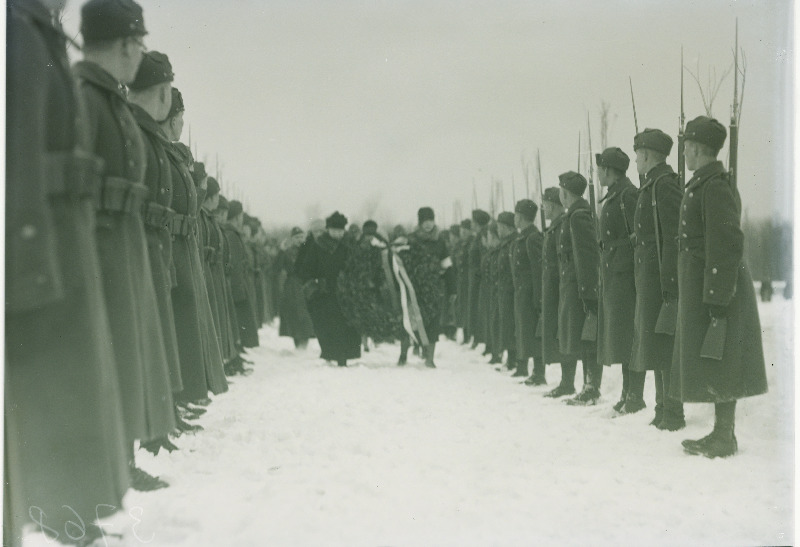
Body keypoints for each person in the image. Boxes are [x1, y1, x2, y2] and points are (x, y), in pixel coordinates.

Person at [5, 0, 130, 541]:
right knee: (51, 396)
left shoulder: (37, 31)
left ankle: (66, 518)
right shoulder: (17, 32)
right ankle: (58, 519)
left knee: (65, 394)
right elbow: (16, 156)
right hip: (42, 244)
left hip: (59, 239)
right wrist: (27, 268)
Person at [74, 0, 176, 489]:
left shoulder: (107, 98)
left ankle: (120, 461)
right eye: (137, 43)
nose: (139, 54)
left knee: (124, 351)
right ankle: (103, 470)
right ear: (124, 45)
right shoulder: (85, 97)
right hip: (99, 246)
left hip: (121, 243)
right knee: (104, 355)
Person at [674, 116, 767, 458]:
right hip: (706, 283)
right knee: (714, 357)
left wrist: (716, 295)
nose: (684, 152)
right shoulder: (704, 182)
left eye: (686, 147)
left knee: (723, 357)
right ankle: (719, 432)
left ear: (697, 148)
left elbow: (726, 242)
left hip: (718, 285)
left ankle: (724, 436)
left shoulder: (714, 186)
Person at [128, 51, 184, 446]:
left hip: (152, 246)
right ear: (163, 95)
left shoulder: (143, 132)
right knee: (143, 338)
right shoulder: (136, 130)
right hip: (138, 247)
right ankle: (147, 433)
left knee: (157, 336)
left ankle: (157, 426)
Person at [161, 88, 227, 407]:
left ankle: (184, 398)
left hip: (181, 250)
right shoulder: (163, 153)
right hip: (170, 249)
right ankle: (176, 402)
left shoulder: (174, 154)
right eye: (180, 118)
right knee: (175, 327)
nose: (181, 125)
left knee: (185, 327)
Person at [631, 128, 685, 430]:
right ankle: (662, 406)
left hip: (662, 278)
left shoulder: (664, 186)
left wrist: (669, 282)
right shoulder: (651, 185)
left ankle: (673, 412)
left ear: (649, 156)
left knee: (666, 343)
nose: (636, 160)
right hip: (650, 277)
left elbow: (673, 236)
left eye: (638, 155)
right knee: (656, 342)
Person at [595, 147, 640, 413]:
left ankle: (635, 395)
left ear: (610, 170)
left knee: (629, 333)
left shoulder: (628, 195)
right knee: (621, 335)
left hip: (626, 274)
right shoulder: (614, 195)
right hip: (614, 272)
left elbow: (637, 234)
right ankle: (627, 392)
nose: (598, 173)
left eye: (601, 168)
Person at [556, 172, 601, 406]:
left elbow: (586, 255)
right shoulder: (573, 215)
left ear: (565, 193)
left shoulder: (578, 216)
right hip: (574, 285)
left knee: (587, 337)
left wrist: (587, 291)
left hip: (580, 287)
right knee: (580, 337)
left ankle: (591, 387)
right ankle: (587, 386)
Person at [296, 211, 362, 366]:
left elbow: (359, 266)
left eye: (340, 231)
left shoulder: (350, 245)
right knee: (329, 325)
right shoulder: (319, 245)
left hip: (347, 292)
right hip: (326, 293)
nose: (337, 234)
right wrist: (315, 286)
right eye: (334, 230)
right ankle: (331, 354)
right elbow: (306, 270)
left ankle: (345, 356)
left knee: (347, 325)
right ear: (328, 230)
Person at [405, 207, 456, 367]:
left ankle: (430, 358)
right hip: (415, 287)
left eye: (431, 221)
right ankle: (412, 350)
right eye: (425, 221)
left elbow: (447, 266)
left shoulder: (440, 242)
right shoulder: (412, 240)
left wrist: (452, 288)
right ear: (420, 223)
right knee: (416, 320)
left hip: (435, 288)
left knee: (433, 322)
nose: (428, 224)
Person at [540, 188, 572, 395]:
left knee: (564, 333)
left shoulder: (563, 225)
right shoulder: (555, 226)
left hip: (562, 284)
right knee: (558, 333)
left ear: (552, 205)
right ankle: (565, 381)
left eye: (544, 204)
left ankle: (568, 382)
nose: (543, 209)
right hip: (553, 286)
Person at [510, 199, 545, 383]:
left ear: (521, 216)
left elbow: (538, 270)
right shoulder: (523, 236)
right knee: (524, 331)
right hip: (522, 293)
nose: (514, 218)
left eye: (516, 215)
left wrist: (538, 299)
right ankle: (526, 368)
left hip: (531, 294)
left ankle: (539, 373)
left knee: (535, 332)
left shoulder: (532, 237)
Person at [278, 227, 316, 349]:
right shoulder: (287, 252)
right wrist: (281, 252)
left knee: (306, 316)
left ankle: (303, 346)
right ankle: (299, 346)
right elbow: (276, 268)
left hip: (306, 285)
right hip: (292, 286)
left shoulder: (309, 250)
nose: (299, 240)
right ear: (292, 239)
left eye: (301, 237)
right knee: (295, 316)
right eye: (296, 238)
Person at [494, 212, 519, 371]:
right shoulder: (505, 243)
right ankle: (510, 359)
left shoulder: (512, 242)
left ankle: (514, 360)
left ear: (505, 227)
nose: (498, 230)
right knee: (506, 326)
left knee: (512, 326)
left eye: (499, 227)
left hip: (511, 290)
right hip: (504, 290)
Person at [467, 210, 490, 349]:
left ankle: (484, 341)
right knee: (476, 309)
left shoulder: (483, 236)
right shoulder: (478, 236)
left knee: (481, 310)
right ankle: (479, 339)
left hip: (479, 278)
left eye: (473, 222)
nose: (471, 225)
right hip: (475, 277)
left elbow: (484, 256)